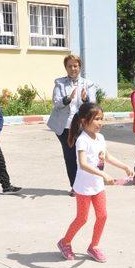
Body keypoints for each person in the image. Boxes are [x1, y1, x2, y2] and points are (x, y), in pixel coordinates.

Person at [57, 103, 133, 263]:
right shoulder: (82, 140)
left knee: (102, 216)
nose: (100, 122)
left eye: (101, 119)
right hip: (84, 187)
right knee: (82, 218)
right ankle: (65, 242)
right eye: (96, 119)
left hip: (98, 186)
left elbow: (106, 156)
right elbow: (83, 164)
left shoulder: (101, 138)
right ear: (84, 121)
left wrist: (124, 166)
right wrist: (103, 174)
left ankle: (94, 246)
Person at [47, 55, 96, 196]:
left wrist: (86, 99)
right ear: (66, 68)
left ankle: (86, 185)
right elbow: (56, 102)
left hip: (82, 127)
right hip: (64, 127)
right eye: (70, 66)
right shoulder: (60, 83)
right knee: (70, 157)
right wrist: (67, 99)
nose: (73, 68)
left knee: (84, 157)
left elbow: (93, 105)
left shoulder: (88, 84)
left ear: (80, 67)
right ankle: (75, 186)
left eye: (75, 66)